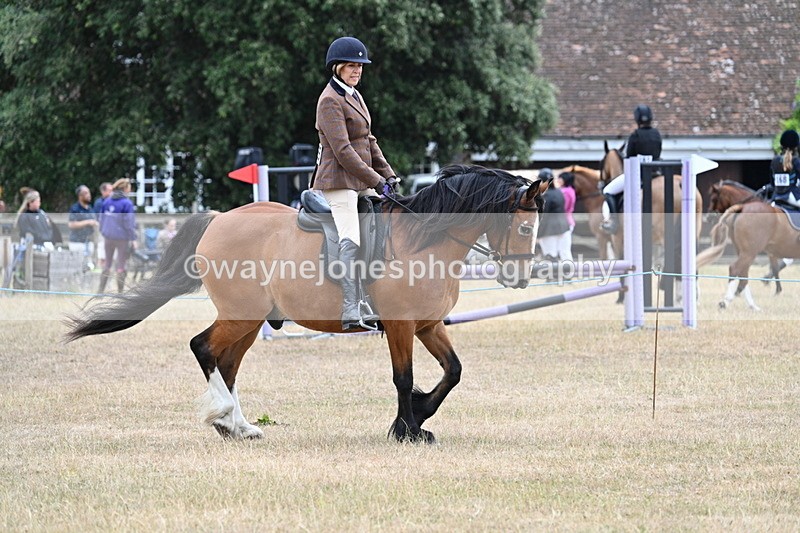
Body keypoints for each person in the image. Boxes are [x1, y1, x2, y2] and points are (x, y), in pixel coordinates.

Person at [311, 36, 397, 330]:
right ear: (336, 68)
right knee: (352, 236)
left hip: (360, 180)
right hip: (338, 182)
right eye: (351, 66)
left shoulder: (354, 95)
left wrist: (388, 174)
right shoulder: (329, 101)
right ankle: (350, 307)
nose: (357, 70)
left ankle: (380, 296)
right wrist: (375, 179)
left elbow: (368, 140)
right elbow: (344, 151)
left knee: (387, 225)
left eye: (360, 66)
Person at [600, 104, 663, 234]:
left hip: (637, 175)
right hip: (656, 173)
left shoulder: (635, 135)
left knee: (608, 190)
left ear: (637, 119)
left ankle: (613, 222)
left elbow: (629, 158)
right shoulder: (657, 134)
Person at [98, 178, 137, 293]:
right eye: (129, 188)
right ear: (125, 189)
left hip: (108, 237)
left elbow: (101, 219)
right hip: (122, 239)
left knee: (107, 265)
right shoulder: (127, 203)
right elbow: (129, 223)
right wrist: (133, 239)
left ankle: (100, 292)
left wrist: (104, 232)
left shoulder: (107, 201)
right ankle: (120, 293)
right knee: (121, 266)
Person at [536, 168, 571, 261]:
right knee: (565, 254)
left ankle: (554, 275)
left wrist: (537, 233)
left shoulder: (546, 196)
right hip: (564, 227)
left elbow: (543, 216)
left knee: (550, 256)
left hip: (550, 230)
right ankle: (568, 274)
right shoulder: (559, 192)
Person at [67, 185, 99, 266]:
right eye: (86, 193)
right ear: (80, 196)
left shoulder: (90, 209)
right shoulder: (75, 208)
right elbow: (71, 224)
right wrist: (87, 222)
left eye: (89, 193)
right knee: (77, 266)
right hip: (77, 242)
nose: (89, 195)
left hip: (89, 242)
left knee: (88, 267)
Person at [770, 129, 800, 209]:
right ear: (796, 146)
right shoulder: (796, 161)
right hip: (792, 196)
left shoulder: (774, 160)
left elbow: (772, 183)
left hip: (775, 197)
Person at [555, 171, 576, 261]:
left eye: (560, 178)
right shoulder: (568, 190)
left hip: (564, 222)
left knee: (564, 249)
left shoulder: (566, 192)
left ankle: (568, 271)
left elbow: (563, 207)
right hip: (565, 221)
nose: (558, 180)